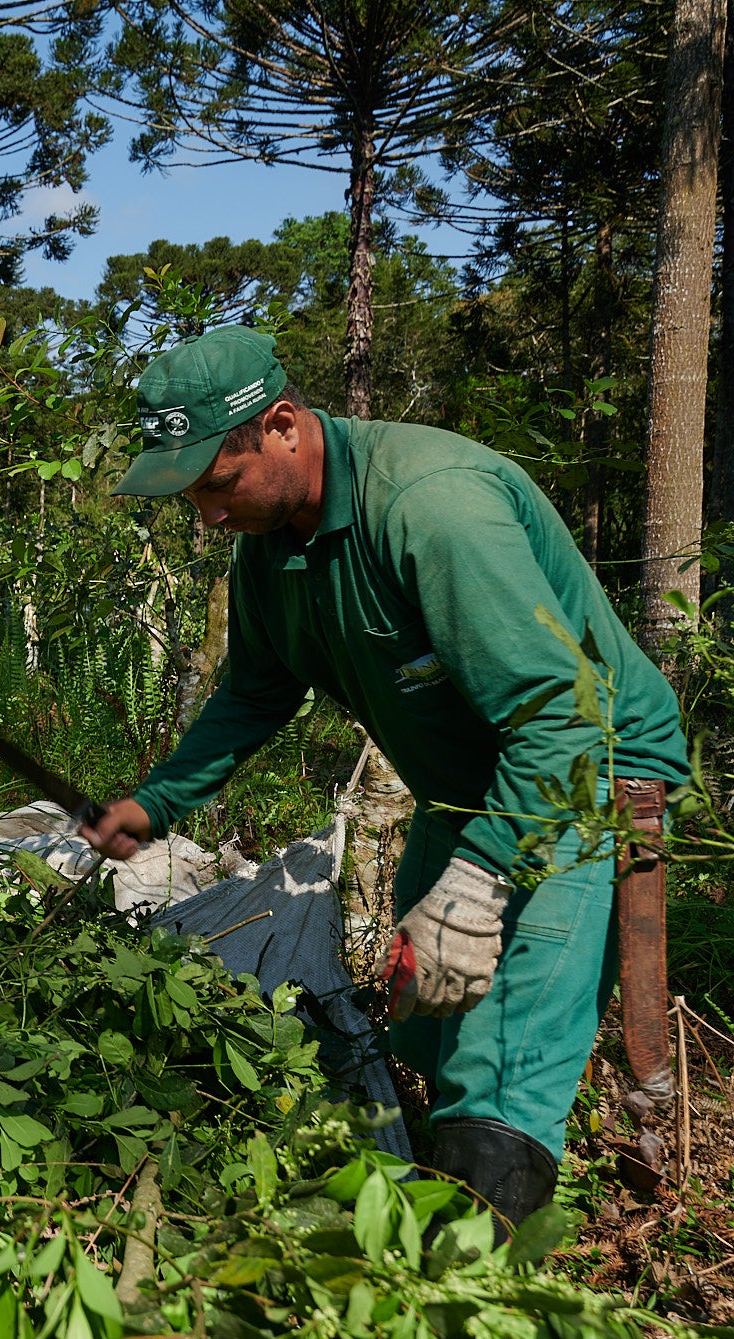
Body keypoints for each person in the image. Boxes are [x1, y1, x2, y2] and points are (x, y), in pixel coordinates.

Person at [76, 325, 690, 1235]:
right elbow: (254, 693)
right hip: (468, 783)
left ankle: (472, 1267)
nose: (208, 514)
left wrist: (480, 882)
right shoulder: (271, 545)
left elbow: (560, 718)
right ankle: (459, 1169)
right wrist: (155, 803)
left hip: (578, 771)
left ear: (283, 426)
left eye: (218, 480)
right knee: (423, 1013)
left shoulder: (431, 507)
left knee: (499, 1057)